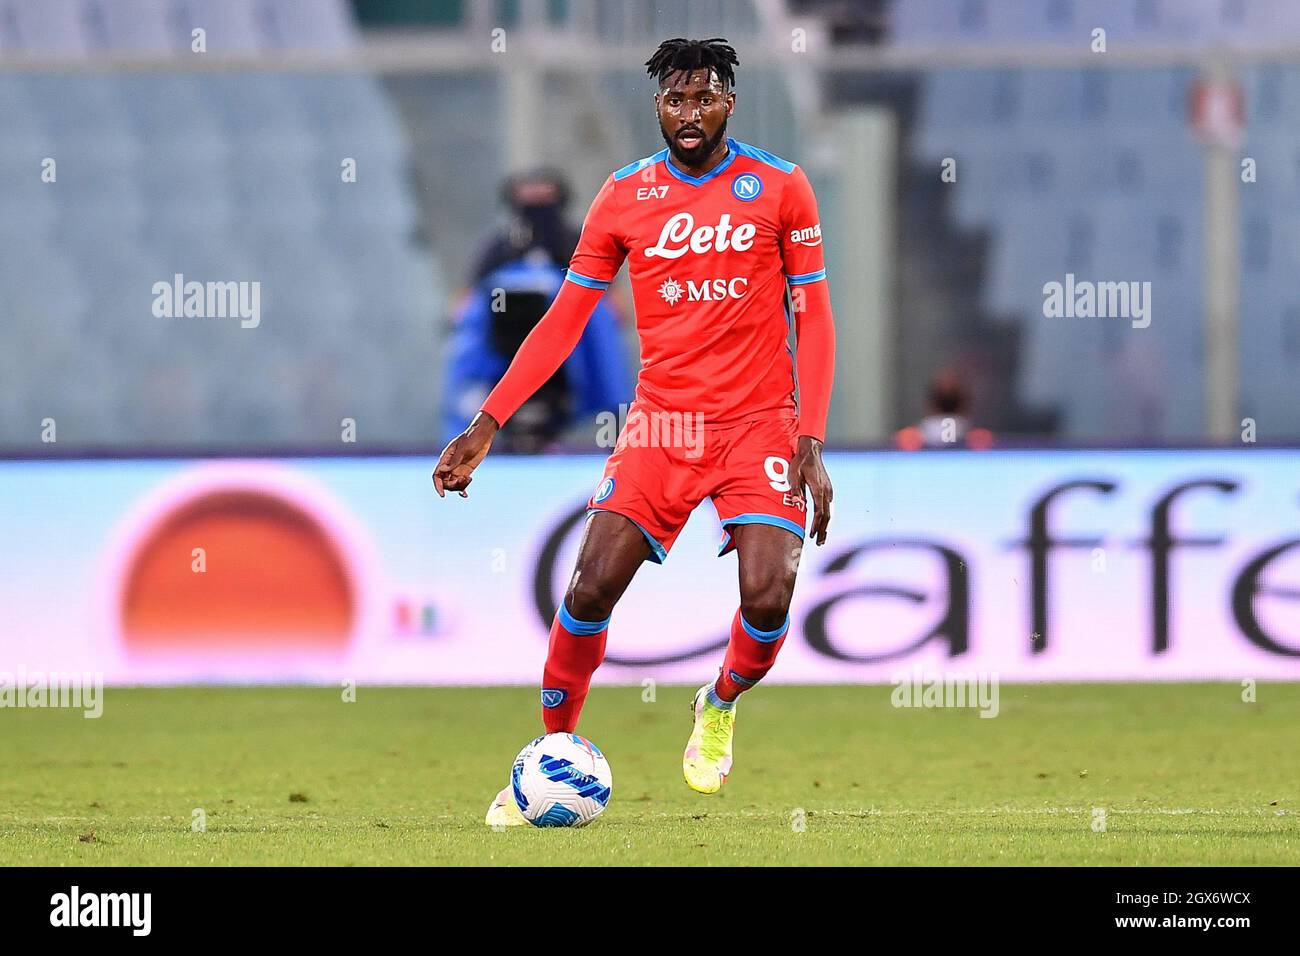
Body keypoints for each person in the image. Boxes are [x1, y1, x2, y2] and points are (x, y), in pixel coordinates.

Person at [432, 37, 837, 825]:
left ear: (729, 102)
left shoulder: (782, 188)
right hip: (665, 423)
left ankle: (718, 703)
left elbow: (813, 317)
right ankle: (548, 760)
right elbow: (563, 320)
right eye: (675, 100)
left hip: (761, 424)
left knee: (768, 591)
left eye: (705, 98)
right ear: (658, 104)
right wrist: (488, 421)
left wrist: (811, 438)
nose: (689, 114)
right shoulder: (623, 197)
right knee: (589, 587)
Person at [440, 169, 632, 451]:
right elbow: (465, 302)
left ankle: (615, 425)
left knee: (600, 331)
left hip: (567, 334)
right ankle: (468, 419)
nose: (537, 200)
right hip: (502, 344)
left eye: (545, 193)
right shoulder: (498, 245)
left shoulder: (576, 240)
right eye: (529, 194)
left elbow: (612, 303)